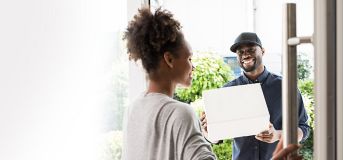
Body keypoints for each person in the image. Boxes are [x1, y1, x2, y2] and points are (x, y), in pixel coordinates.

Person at [122, 6, 216, 160]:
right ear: (169, 59)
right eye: (189, 59)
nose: (193, 66)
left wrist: (199, 134)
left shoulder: (132, 110)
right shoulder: (181, 113)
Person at [201, 32, 310, 160]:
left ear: (262, 51)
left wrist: (278, 135)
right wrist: (209, 132)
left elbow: (303, 128)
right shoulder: (227, 91)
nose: (245, 54)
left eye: (251, 50)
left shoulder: (286, 87)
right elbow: (216, 138)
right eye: (240, 52)